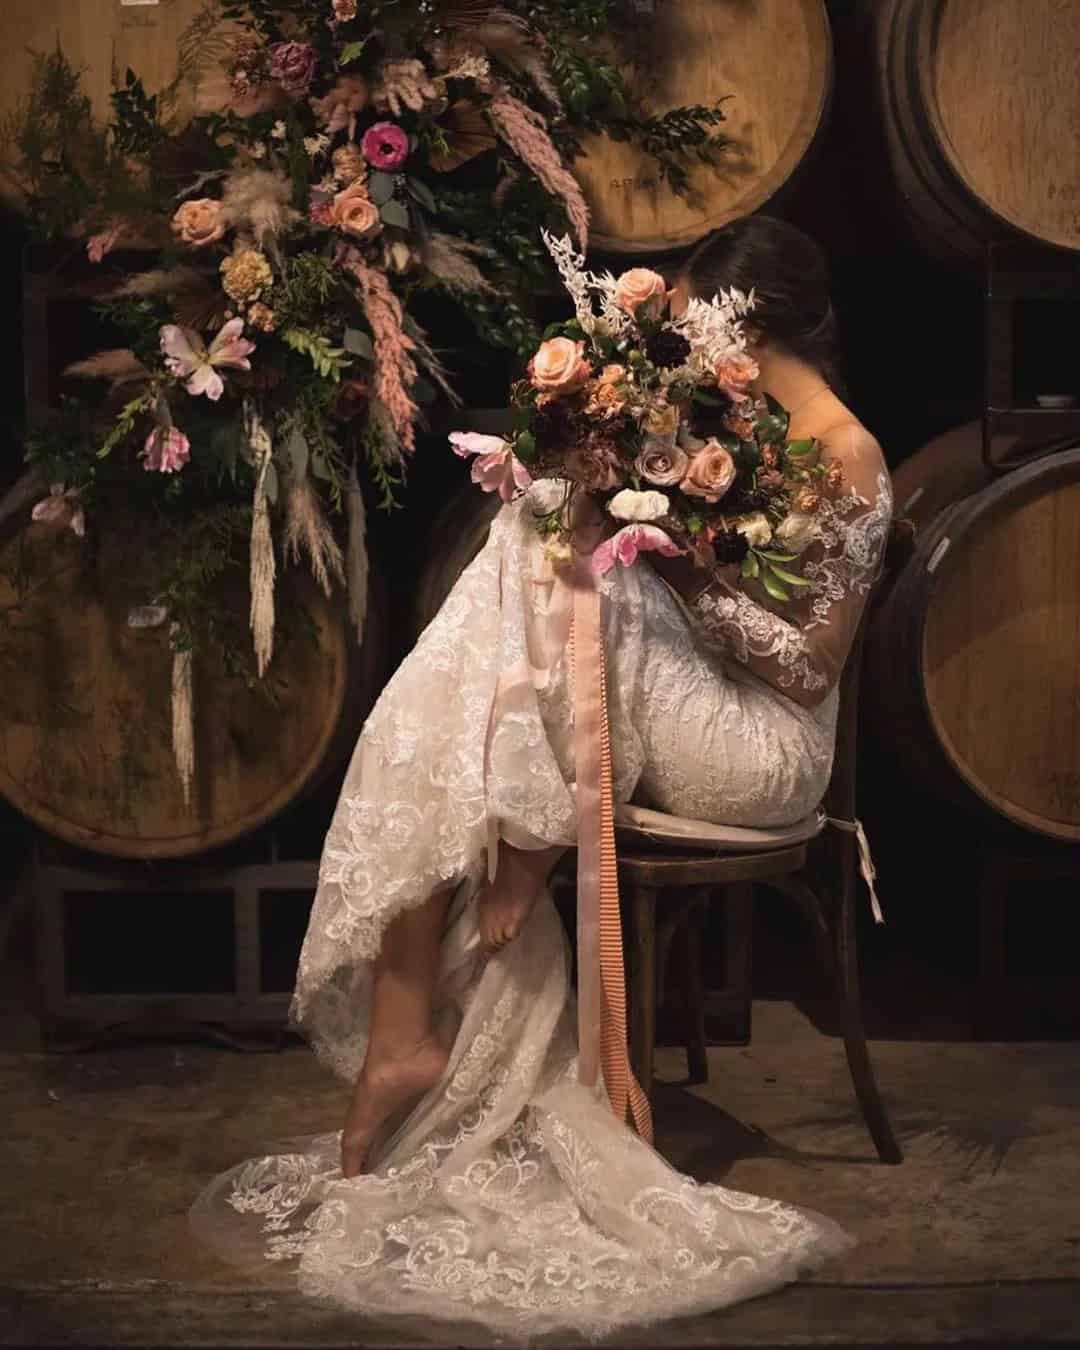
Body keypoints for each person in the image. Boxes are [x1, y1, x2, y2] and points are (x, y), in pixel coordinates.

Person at [191, 216, 892, 1341]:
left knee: (577, 556)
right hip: (702, 707)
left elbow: (811, 662)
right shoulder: (750, 427)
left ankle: (479, 907)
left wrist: (681, 563)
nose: (708, 364)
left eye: (712, 336)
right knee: (551, 537)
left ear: (748, 326)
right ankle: (474, 910)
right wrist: (648, 539)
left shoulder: (845, 447)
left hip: (763, 755)